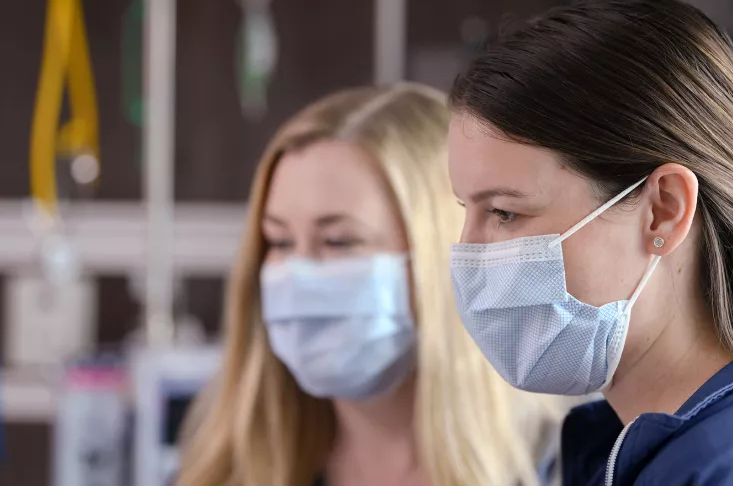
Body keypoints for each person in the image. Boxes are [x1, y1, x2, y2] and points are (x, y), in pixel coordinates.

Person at [446, 0, 733, 486]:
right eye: (467, 211)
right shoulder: (619, 448)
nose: (470, 256)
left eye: (505, 212)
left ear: (663, 210)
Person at [177, 84, 562, 486]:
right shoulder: (225, 468)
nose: (299, 273)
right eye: (281, 242)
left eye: (339, 241)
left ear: (437, 254)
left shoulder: (563, 463)